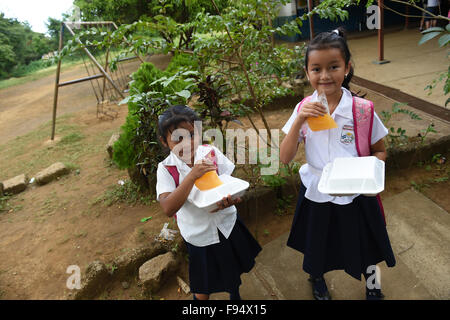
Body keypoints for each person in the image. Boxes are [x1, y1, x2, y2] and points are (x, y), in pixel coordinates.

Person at [280, 28, 396, 300]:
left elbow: (381, 152)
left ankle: (373, 284)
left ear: (347, 67)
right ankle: (317, 280)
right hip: (318, 193)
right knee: (318, 244)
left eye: (333, 67)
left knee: (368, 245)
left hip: (357, 194)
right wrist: (299, 120)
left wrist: (366, 172)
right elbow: (285, 158)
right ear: (307, 72)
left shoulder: (362, 110)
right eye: (316, 69)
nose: (324, 76)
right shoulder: (302, 109)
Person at [156, 105, 262, 300]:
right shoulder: (166, 169)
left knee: (232, 270)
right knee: (203, 284)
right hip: (200, 237)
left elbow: (226, 183)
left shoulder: (210, 153)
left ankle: (234, 296)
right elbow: (168, 207)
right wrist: (192, 176)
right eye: (178, 138)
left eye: (191, 135)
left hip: (227, 225)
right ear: (165, 141)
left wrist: (232, 199)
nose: (187, 143)